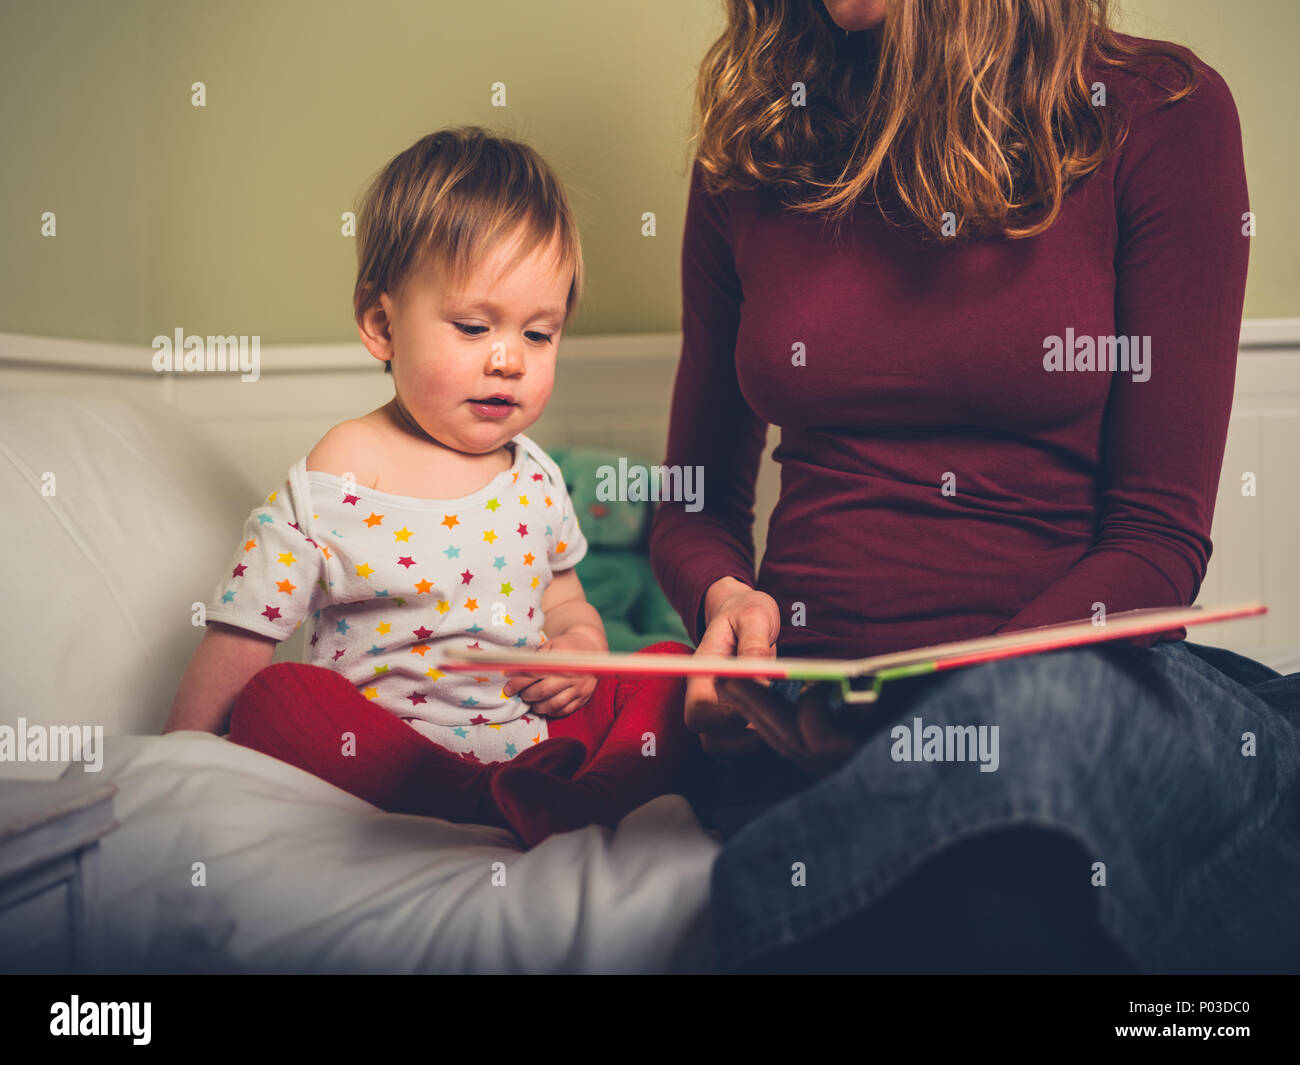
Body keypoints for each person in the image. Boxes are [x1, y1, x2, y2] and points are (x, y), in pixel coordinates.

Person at [650, 0, 1300, 972]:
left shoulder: (1159, 111)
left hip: (1062, 700)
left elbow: (1157, 534)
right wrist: (724, 603)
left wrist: (951, 709)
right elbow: (696, 503)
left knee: (1015, 805)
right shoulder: (756, 144)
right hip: (810, 720)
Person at [164, 127, 700, 849]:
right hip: (385, 758)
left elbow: (567, 600)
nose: (509, 359)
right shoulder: (339, 471)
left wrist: (575, 647)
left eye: (539, 335)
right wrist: (171, 761)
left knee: (670, 671)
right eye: (475, 326)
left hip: (528, 738)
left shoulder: (536, 478)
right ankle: (480, 800)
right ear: (382, 324)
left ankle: (579, 796)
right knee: (274, 698)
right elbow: (242, 634)